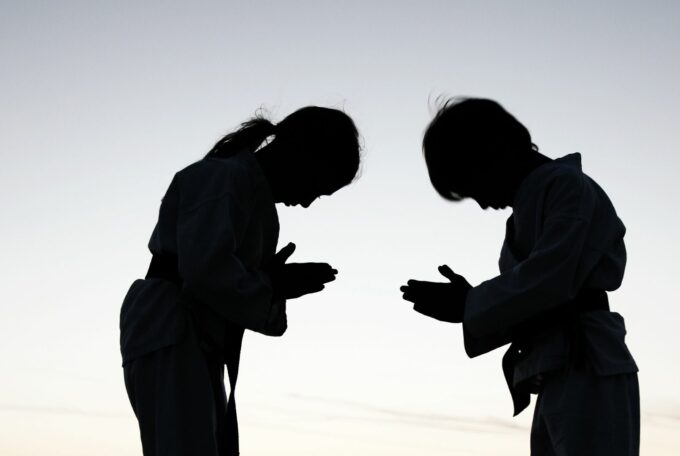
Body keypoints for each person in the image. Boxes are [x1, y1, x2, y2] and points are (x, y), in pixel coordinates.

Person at [401, 98, 639, 455]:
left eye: (473, 185)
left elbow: (552, 280)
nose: (481, 203)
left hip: (589, 365)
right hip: (553, 367)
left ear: (494, 151)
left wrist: (471, 303)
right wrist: (470, 304)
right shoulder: (526, 211)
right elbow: (532, 294)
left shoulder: (567, 187)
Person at [119, 107, 361, 456]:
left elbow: (223, 278)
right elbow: (204, 271)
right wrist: (273, 284)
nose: (308, 202)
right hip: (173, 326)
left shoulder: (246, 191)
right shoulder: (223, 178)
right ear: (302, 154)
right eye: (318, 187)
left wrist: (273, 284)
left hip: (192, 334)